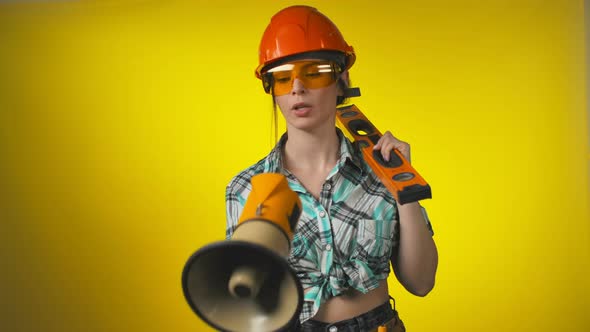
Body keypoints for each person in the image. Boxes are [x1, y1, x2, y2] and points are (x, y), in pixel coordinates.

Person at [226, 5, 438, 331]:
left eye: (315, 71)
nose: (297, 87)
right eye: (282, 78)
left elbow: (421, 283)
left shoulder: (382, 173)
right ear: (272, 90)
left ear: (342, 81)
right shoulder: (245, 189)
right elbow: (245, 306)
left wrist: (403, 186)